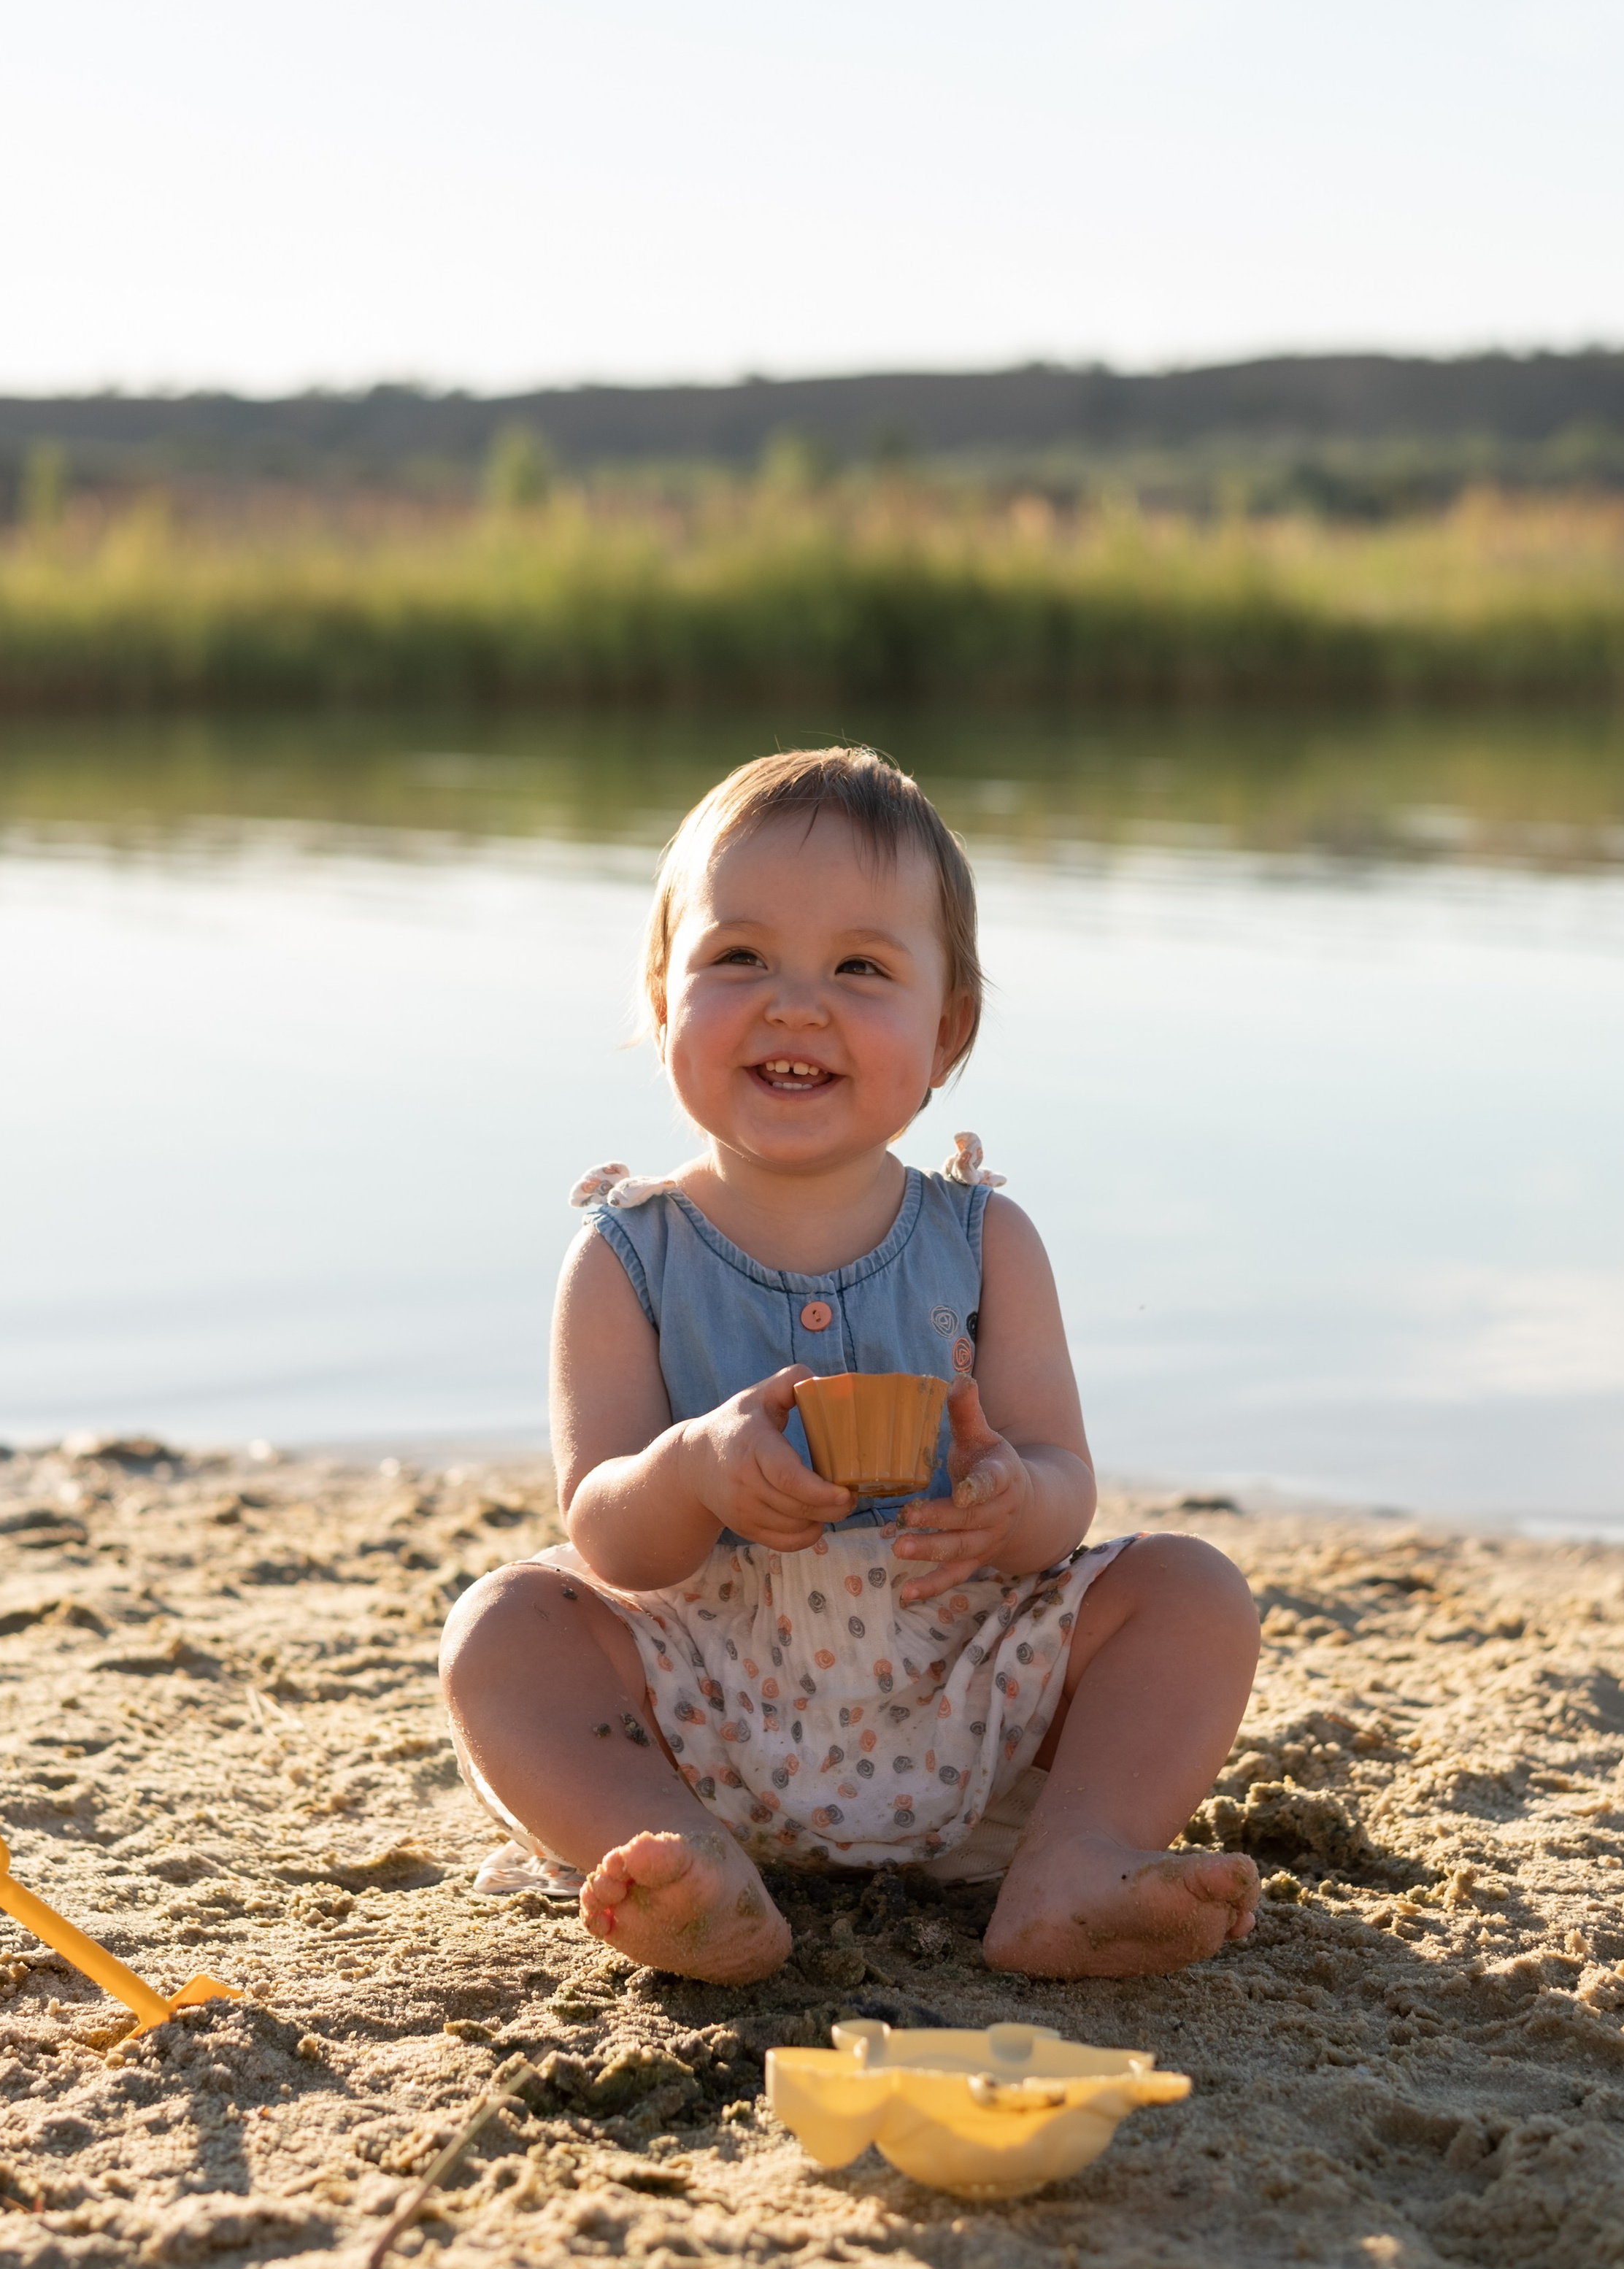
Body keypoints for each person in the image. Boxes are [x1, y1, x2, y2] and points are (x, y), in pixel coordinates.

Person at [440, 746, 1261, 1984]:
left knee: (1193, 1593)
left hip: (961, 1685)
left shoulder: (986, 1241)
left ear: (949, 1030)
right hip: (707, 1694)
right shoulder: (626, 1256)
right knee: (502, 1630)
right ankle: (686, 1861)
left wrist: (1009, 1499)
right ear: (664, 999)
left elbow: (1061, 1492)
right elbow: (608, 1534)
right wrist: (693, 1470)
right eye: (739, 958)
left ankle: (1072, 1862)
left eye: (860, 969)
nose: (795, 1004)